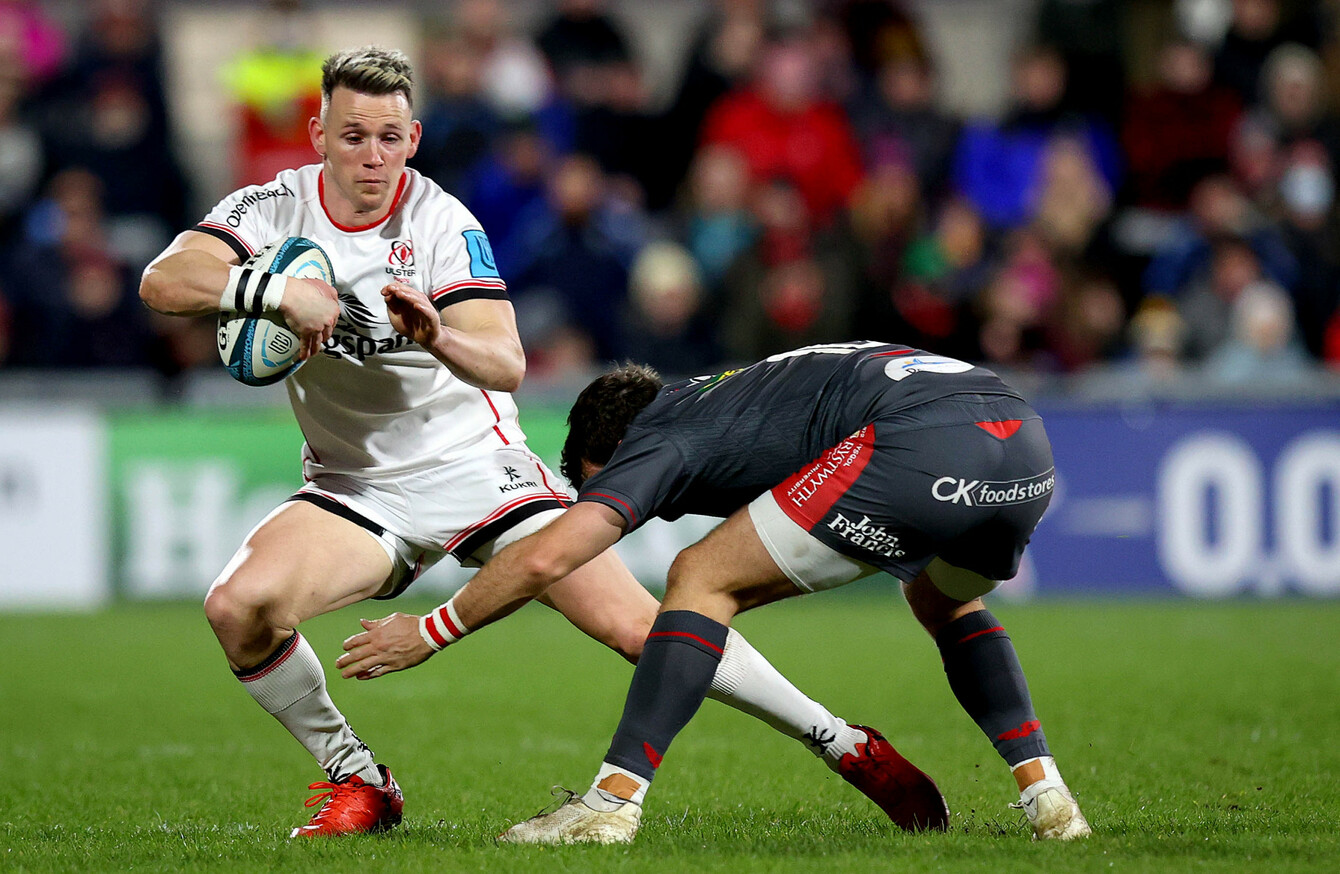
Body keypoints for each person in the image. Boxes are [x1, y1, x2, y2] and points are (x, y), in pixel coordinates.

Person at [138, 47, 941, 839]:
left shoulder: (440, 220)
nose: (372, 156)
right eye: (352, 136)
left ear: (413, 138)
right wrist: (277, 291)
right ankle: (361, 780)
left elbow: (508, 362)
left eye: (389, 137)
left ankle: (843, 742)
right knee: (237, 608)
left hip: (479, 471)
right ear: (318, 134)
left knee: (639, 629)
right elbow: (164, 280)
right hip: (356, 487)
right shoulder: (273, 206)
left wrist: (437, 335)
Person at [342, 340, 1093, 844]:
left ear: (608, 450)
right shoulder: (737, 396)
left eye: (592, 481)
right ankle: (1048, 797)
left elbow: (552, 556)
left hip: (917, 442)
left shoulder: (658, 435)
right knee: (945, 601)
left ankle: (610, 804)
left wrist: (432, 630)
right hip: (1022, 441)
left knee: (698, 577)